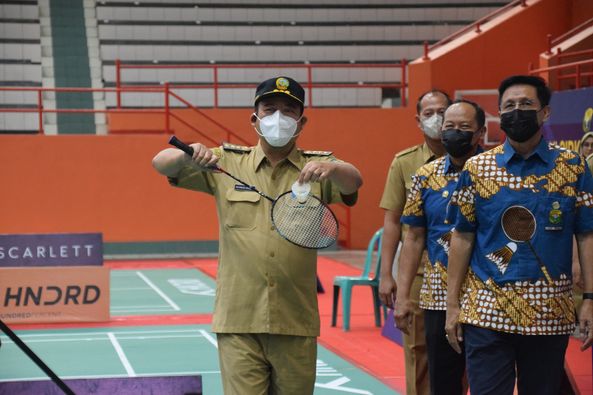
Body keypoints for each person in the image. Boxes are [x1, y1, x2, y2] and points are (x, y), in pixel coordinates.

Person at [152, 76, 363, 394]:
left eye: (289, 110)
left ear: (301, 122)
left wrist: (335, 169)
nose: (279, 117)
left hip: (295, 321)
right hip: (239, 320)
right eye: (270, 109)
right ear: (255, 119)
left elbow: (354, 182)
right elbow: (161, 164)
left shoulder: (319, 167)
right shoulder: (225, 162)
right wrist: (188, 154)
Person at [445, 75, 593, 395]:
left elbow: (586, 235)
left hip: (549, 314)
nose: (517, 111)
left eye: (526, 104)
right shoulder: (477, 169)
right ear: (499, 113)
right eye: (509, 106)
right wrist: (452, 304)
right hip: (486, 311)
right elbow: (462, 237)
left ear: (545, 113)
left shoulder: (573, 167)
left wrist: (590, 300)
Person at [395, 100, 485, 395]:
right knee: (443, 382)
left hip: (487, 297)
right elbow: (413, 237)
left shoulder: (496, 174)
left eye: (464, 128)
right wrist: (403, 296)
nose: (454, 133)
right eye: (449, 127)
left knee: (488, 380)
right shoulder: (425, 175)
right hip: (436, 297)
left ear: (480, 133)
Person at [379, 89, 451, 395]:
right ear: (418, 120)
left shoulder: (480, 161)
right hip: (421, 274)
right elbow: (393, 222)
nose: (437, 118)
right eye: (429, 113)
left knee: (467, 351)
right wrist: (387, 275)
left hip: (473, 275)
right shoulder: (405, 163)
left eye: (443, 111)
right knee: (419, 352)